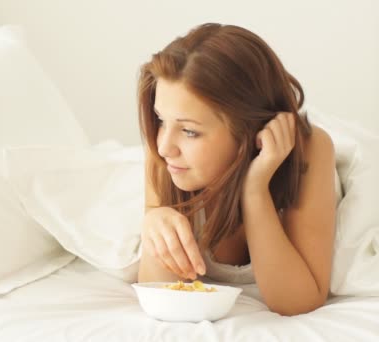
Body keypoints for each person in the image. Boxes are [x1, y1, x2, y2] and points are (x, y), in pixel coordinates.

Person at [137, 23, 337, 316]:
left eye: (190, 131)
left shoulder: (309, 150)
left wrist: (254, 190)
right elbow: (162, 294)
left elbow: (298, 301)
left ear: (249, 131)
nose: (164, 146)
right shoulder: (164, 154)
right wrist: (156, 221)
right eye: (160, 119)